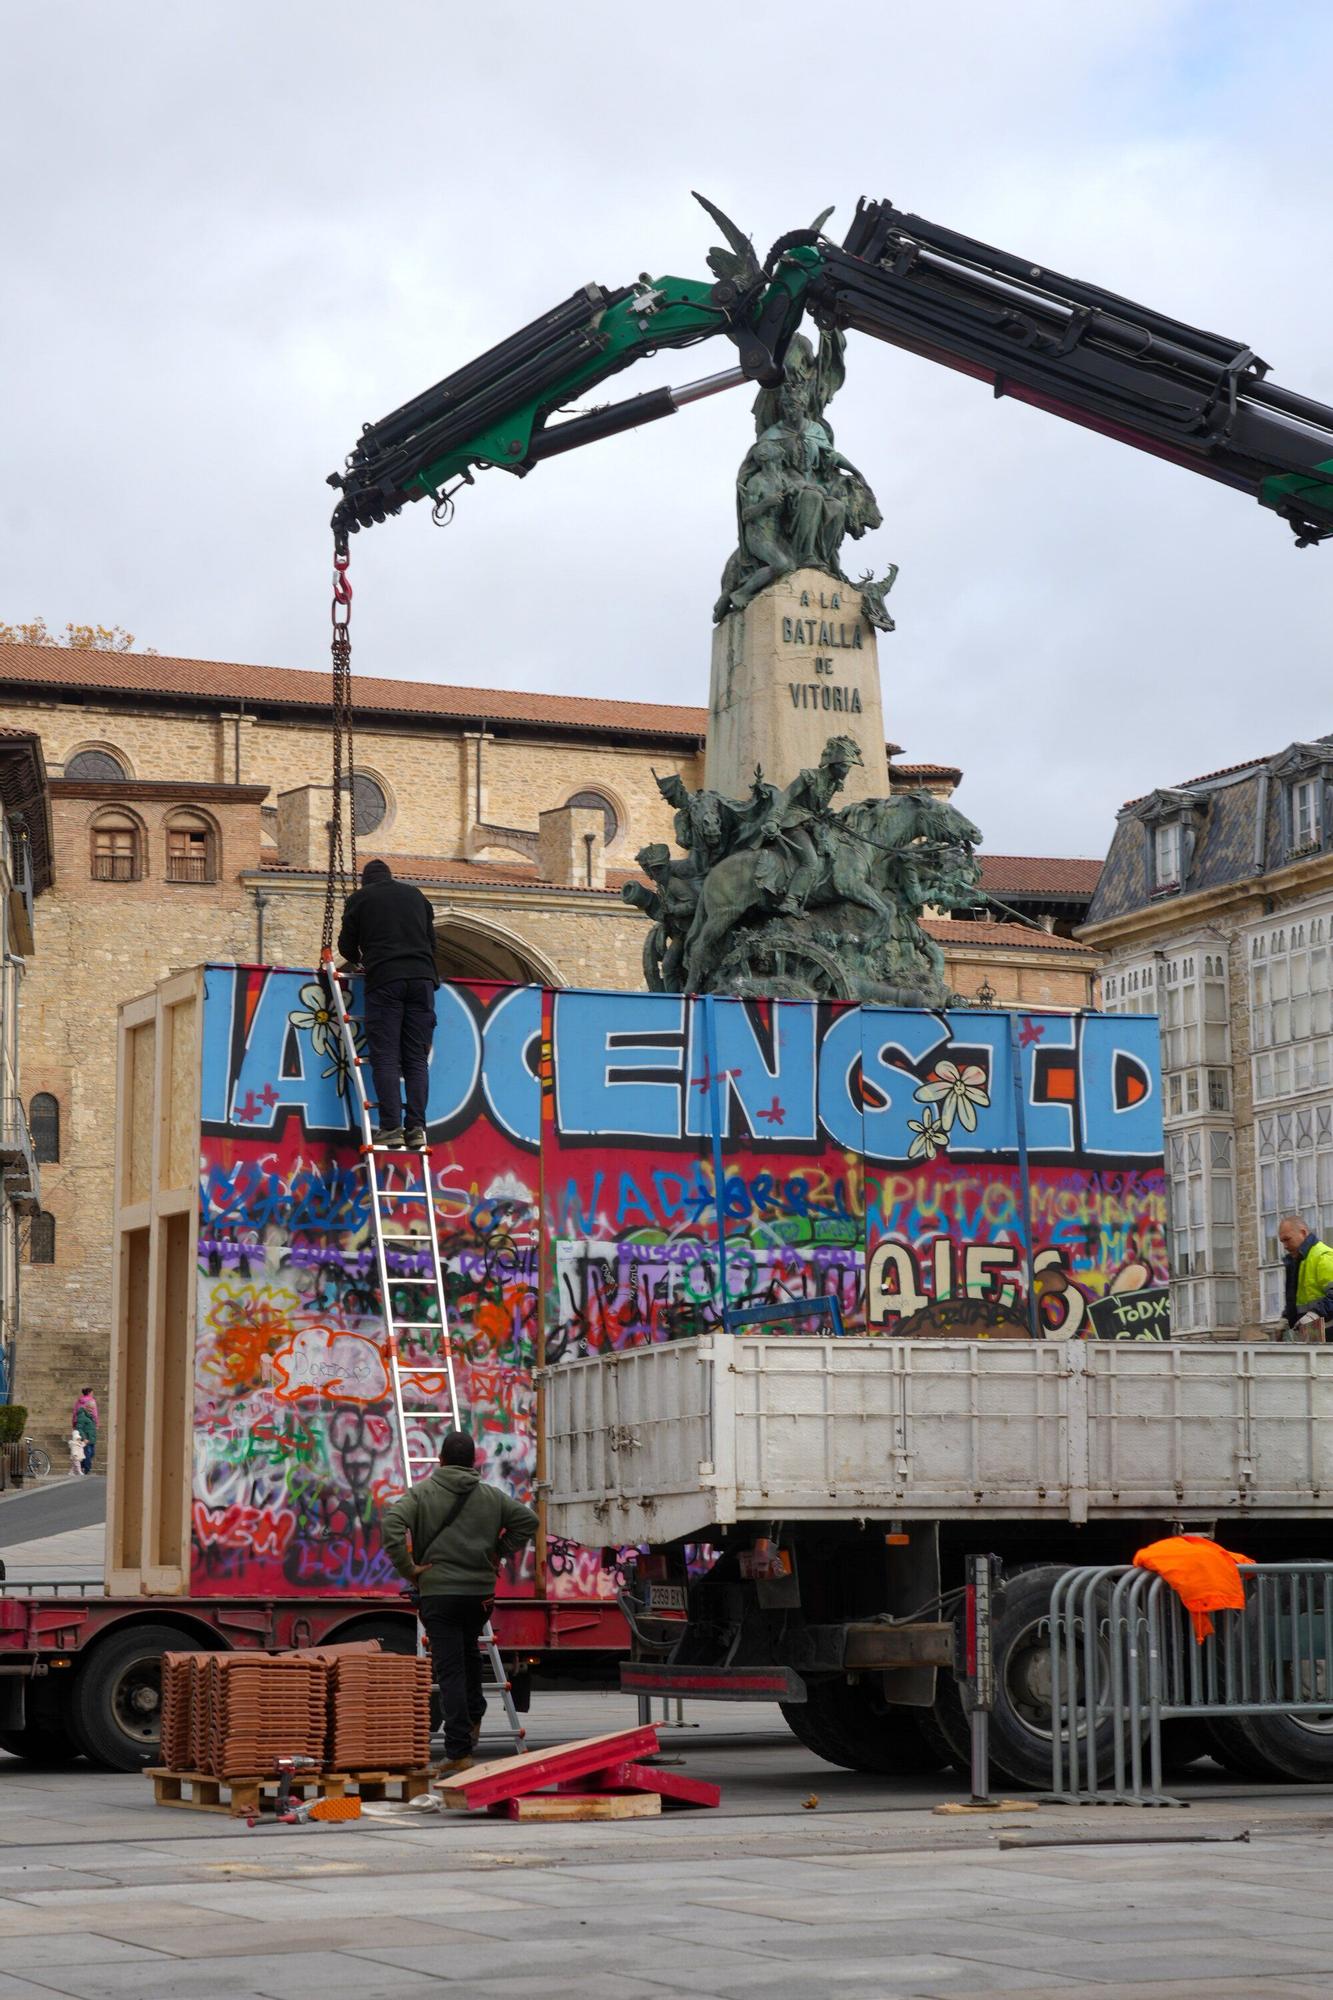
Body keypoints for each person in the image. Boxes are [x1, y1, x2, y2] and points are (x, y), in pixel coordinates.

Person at [381, 1429, 538, 1776]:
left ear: (440, 1460)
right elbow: (529, 1521)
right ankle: (474, 1715)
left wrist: (410, 1569)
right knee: (469, 1655)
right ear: (473, 1462)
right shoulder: (492, 1497)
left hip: (440, 1594)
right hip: (480, 1595)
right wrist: (498, 1551)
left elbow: (391, 1523)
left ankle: (457, 1751)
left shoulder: (422, 1494)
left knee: (450, 1670)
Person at [337, 858, 438, 1150]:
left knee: (385, 1057)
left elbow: (346, 946)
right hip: (422, 981)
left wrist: (363, 961)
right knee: (416, 1060)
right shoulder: (416, 896)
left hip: (386, 981)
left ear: (365, 881)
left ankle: (391, 1127)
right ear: (391, 876)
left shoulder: (360, 899)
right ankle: (417, 1128)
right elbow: (432, 944)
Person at [1278, 1215, 1333, 1336]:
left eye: (1287, 1239)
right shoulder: (1296, 1262)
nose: (1285, 1246)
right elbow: (1296, 1300)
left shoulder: (1323, 1256)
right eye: (1282, 1241)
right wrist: (1286, 1319)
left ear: (1303, 1233)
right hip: (1312, 1337)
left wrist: (1315, 1314)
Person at [72, 1388, 97, 1475]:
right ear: (86, 1407)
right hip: (86, 1439)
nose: (92, 1411)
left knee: (91, 1453)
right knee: (88, 1454)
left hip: (91, 1438)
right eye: (90, 1409)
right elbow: (79, 1427)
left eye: (92, 1409)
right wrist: (84, 1438)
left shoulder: (90, 1415)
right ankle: (87, 1470)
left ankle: (82, 1466)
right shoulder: (82, 1415)